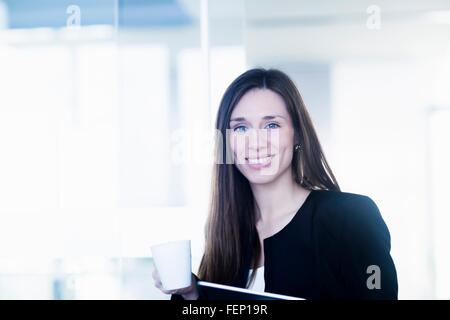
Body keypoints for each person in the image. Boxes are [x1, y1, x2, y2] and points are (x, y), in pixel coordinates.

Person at [152, 68, 398, 300]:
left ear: (298, 134)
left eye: (271, 125)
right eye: (240, 128)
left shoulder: (350, 217)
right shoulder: (226, 233)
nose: (255, 143)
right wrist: (192, 294)